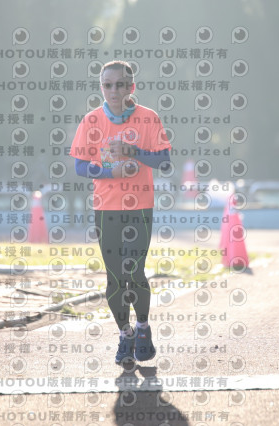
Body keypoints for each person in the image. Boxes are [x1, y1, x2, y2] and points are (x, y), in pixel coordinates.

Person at [70, 60, 172, 364]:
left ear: (131, 87)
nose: (113, 90)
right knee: (115, 276)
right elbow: (79, 166)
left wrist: (133, 153)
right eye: (107, 85)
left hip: (140, 206)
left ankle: (143, 328)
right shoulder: (91, 121)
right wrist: (109, 172)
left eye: (119, 85)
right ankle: (125, 334)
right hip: (106, 208)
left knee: (135, 271)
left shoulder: (148, 118)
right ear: (101, 87)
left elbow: (164, 161)